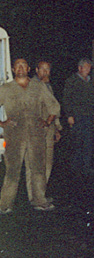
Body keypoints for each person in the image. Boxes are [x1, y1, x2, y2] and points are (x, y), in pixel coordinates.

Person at [0, 58, 60, 213]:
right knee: (12, 170)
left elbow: (53, 105)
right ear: (13, 69)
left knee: (38, 169)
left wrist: (47, 121)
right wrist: (3, 123)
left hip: (36, 134)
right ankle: (4, 204)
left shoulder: (38, 86)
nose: (20, 68)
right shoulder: (6, 88)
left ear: (28, 69)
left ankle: (39, 200)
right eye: (17, 65)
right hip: (14, 134)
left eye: (23, 65)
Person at [62, 58, 94, 178]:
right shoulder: (72, 81)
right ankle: (75, 169)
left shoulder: (89, 81)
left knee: (88, 142)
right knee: (77, 142)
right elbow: (67, 99)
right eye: (85, 67)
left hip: (88, 116)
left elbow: (92, 99)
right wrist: (69, 115)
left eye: (89, 68)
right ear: (80, 68)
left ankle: (86, 167)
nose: (88, 70)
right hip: (76, 116)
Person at [31, 60, 62, 185]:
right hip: (36, 128)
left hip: (49, 129)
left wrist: (57, 128)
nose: (45, 72)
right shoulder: (31, 84)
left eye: (48, 69)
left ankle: (41, 194)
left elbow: (54, 107)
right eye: (42, 69)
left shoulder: (48, 86)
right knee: (36, 164)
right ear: (36, 70)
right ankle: (34, 197)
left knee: (48, 163)